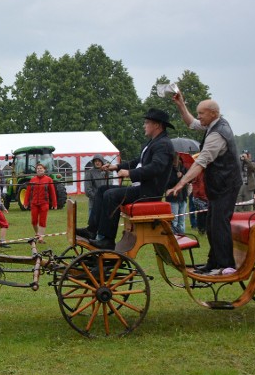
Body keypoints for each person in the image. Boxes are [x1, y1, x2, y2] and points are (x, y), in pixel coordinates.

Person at [77, 108, 175, 250]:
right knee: (102, 189)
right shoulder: (152, 143)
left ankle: (107, 239)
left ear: (157, 125)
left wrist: (129, 173)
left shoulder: (164, 144)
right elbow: (137, 161)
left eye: (147, 122)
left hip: (149, 192)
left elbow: (156, 168)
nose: (144, 125)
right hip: (141, 188)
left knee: (111, 195)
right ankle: (92, 230)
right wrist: (115, 166)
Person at [168, 95, 240, 274]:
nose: (199, 116)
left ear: (214, 114)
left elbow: (202, 161)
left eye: (202, 113)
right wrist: (181, 104)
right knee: (211, 224)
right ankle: (213, 262)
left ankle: (226, 265)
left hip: (226, 184)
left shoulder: (217, 133)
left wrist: (181, 183)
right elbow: (191, 123)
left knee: (219, 223)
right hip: (218, 184)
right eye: (199, 113)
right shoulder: (214, 125)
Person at [23, 163, 57, 243]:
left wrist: (54, 203)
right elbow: (28, 192)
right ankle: (38, 234)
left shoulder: (49, 179)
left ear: (44, 170)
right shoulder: (32, 180)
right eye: (38, 168)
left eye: (41, 168)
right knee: (34, 221)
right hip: (34, 203)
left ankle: (41, 238)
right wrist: (25, 202)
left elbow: (52, 192)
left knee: (42, 220)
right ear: (36, 170)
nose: (39, 170)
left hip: (44, 203)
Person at [83, 154, 110, 230]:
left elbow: (109, 186)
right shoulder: (89, 173)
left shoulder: (106, 172)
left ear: (102, 162)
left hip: (105, 203)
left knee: (103, 226)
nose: (97, 163)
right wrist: (97, 198)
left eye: (99, 161)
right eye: (95, 161)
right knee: (93, 225)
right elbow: (88, 190)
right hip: (94, 204)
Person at [165, 154, 188, 234]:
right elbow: (166, 183)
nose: (175, 159)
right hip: (172, 198)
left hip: (183, 196)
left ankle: (182, 236)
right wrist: (177, 177)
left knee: (182, 219)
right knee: (174, 219)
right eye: (174, 157)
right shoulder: (167, 168)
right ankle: (174, 237)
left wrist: (182, 175)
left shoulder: (183, 167)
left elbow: (189, 179)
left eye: (177, 157)